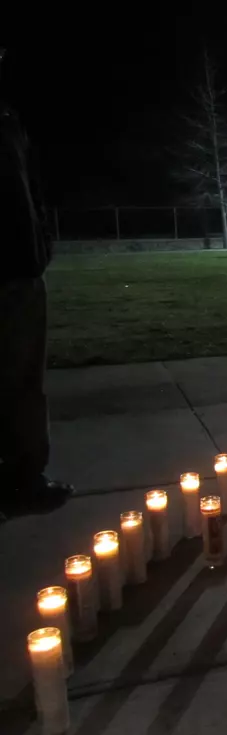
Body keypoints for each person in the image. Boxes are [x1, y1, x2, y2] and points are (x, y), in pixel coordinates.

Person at [0, 79, 74, 519]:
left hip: (20, 270)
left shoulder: (9, 118)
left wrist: (41, 242)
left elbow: (32, 187)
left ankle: (25, 477)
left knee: (23, 381)